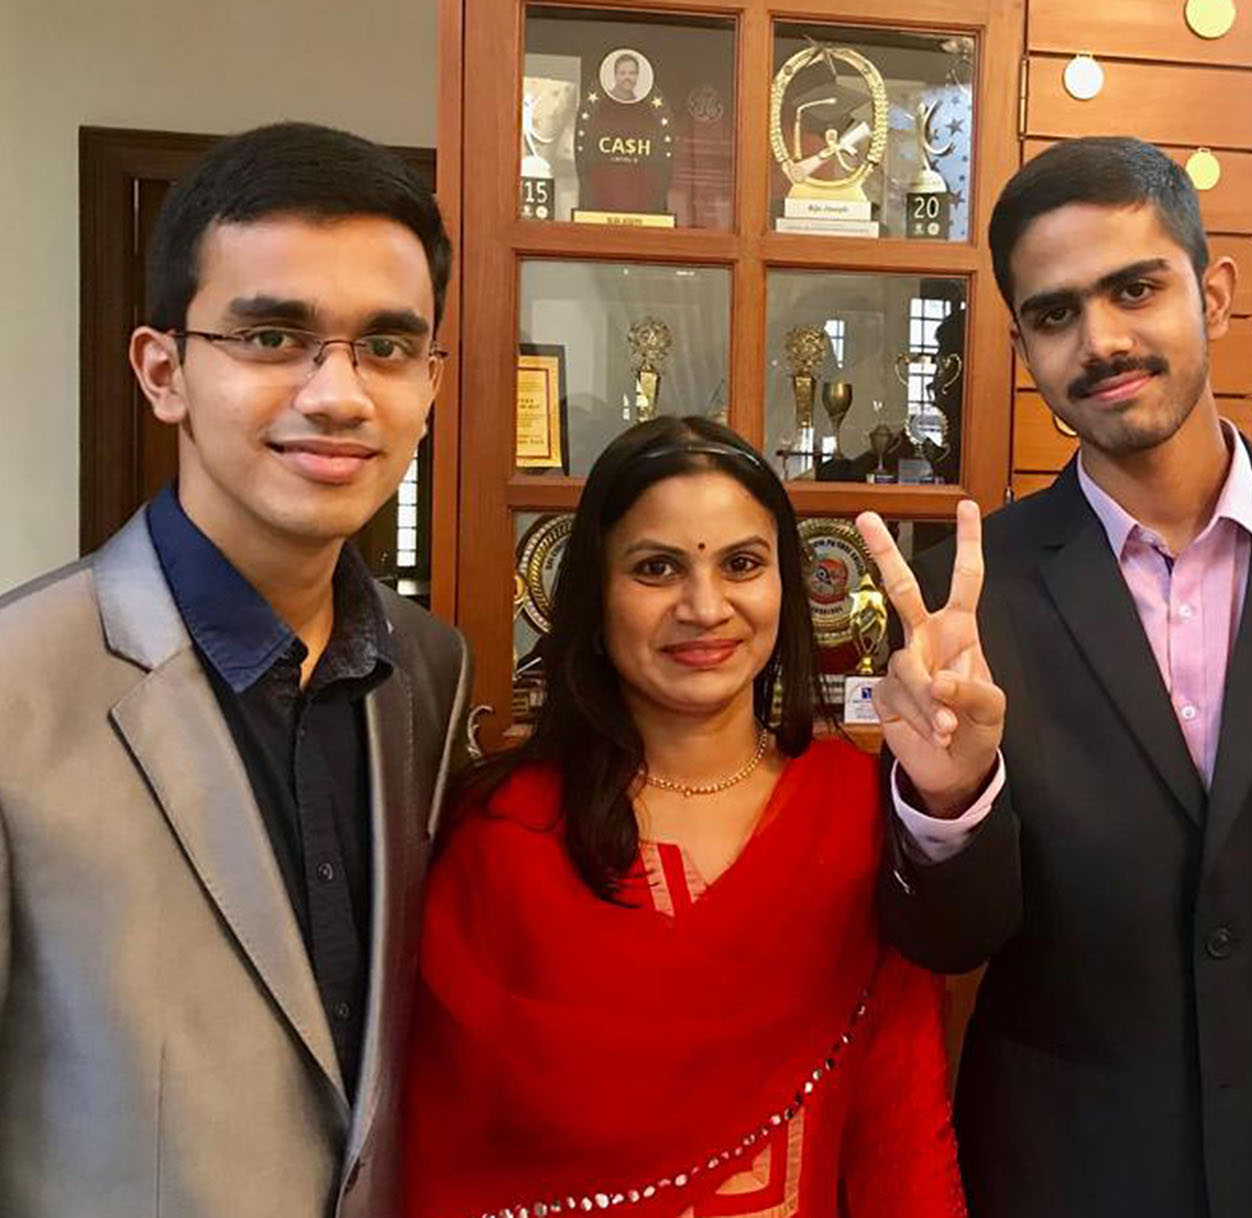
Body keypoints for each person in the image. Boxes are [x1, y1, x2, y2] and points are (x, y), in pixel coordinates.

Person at [865, 135, 1252, 1218]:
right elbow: (948, 942)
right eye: (1056, 314)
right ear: (1023, 346)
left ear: (1212, 293)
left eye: (1134, 289)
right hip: (1064, 1172)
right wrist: (947, 803)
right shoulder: (963, 597)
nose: (1101, 340)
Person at [0, 122, 468, 1218]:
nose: (339, 394)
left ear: (432, 383)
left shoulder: (428, 669)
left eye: (387, 345)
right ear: (163, 371)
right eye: (272, 336)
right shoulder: (18, 689)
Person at [402, 415, 1002, 1218]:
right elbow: (443, 1150)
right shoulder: (505, 833)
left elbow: (900, 1137)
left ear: (784, 585)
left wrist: (949, 790)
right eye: (656, 568)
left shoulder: (851, 812)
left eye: (742, 564)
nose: (705, 606)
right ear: (595, 593)